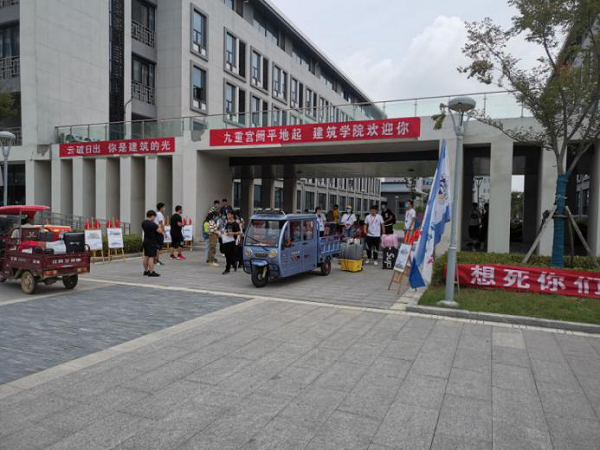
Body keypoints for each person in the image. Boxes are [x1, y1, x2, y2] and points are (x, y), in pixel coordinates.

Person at [142, 210, 162, 277]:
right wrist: (159, 225)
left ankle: (146, 271)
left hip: (145, 240)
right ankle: (151, 272)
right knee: (151, 257)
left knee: (146, 256)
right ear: (152, 216)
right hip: (151, 242)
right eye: (154, 217)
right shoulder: (153, 224)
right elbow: (160, 231)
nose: (154, 218)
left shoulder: (143, 222)